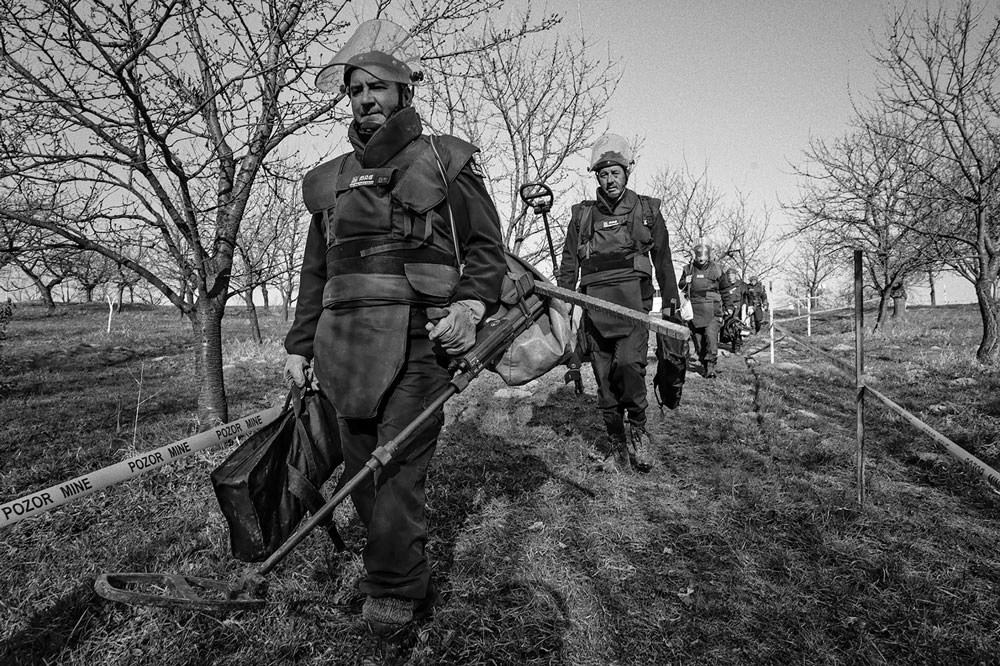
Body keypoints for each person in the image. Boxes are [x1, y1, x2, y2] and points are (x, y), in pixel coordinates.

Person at [282, 19, 506, 641]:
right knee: (361, 471)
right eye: (355, 90)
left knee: (399, 466)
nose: (364, 99)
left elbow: (486, 252)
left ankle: (394, 588)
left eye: (376, 87)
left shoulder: (444, 161)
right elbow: (315, 272)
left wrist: (469, 308)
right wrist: (300, 346)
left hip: (417, 341)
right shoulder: (327, 181)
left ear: (404, 91)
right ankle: (394, 567)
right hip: (342, 348)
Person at [557, 133, 681, 473]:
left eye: (615, 173)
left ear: (627, 172)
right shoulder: (582, 218)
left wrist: (672, 306)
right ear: (596, 177)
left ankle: (638, 433)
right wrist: (563, 310)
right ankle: (616, 447)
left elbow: (664, 263)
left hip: (632, 315)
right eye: (603, 174)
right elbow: (569, 267)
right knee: (605, 385)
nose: (609, 180)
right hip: (594, 317)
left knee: (628, 368)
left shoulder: (646, 212)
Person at [678, 243, 733, 378]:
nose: (701, 259)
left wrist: (729, 306)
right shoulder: (688, 269)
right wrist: (686, 281)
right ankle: (703, 362)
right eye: (698, 256)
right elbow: (681, 286)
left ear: (708, 255)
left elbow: (725, 290)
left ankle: (710, 367)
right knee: (698, 340)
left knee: (711, 336)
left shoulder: (717, 269)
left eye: (703, 256)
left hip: (713, 309)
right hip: (694, 310)